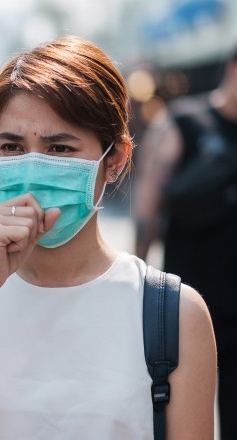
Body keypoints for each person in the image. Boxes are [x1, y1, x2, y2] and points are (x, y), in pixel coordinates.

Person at [0, 36, 216, 439]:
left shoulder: (172, 314)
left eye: (59, 148)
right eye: (12, 146)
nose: (32, 168)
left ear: (115, 160)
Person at [134, 49, 237, 437]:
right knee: (179, 421)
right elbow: (147, 207)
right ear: (231, 68)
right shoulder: (184, 121)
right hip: (188, 306)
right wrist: (136, 284)